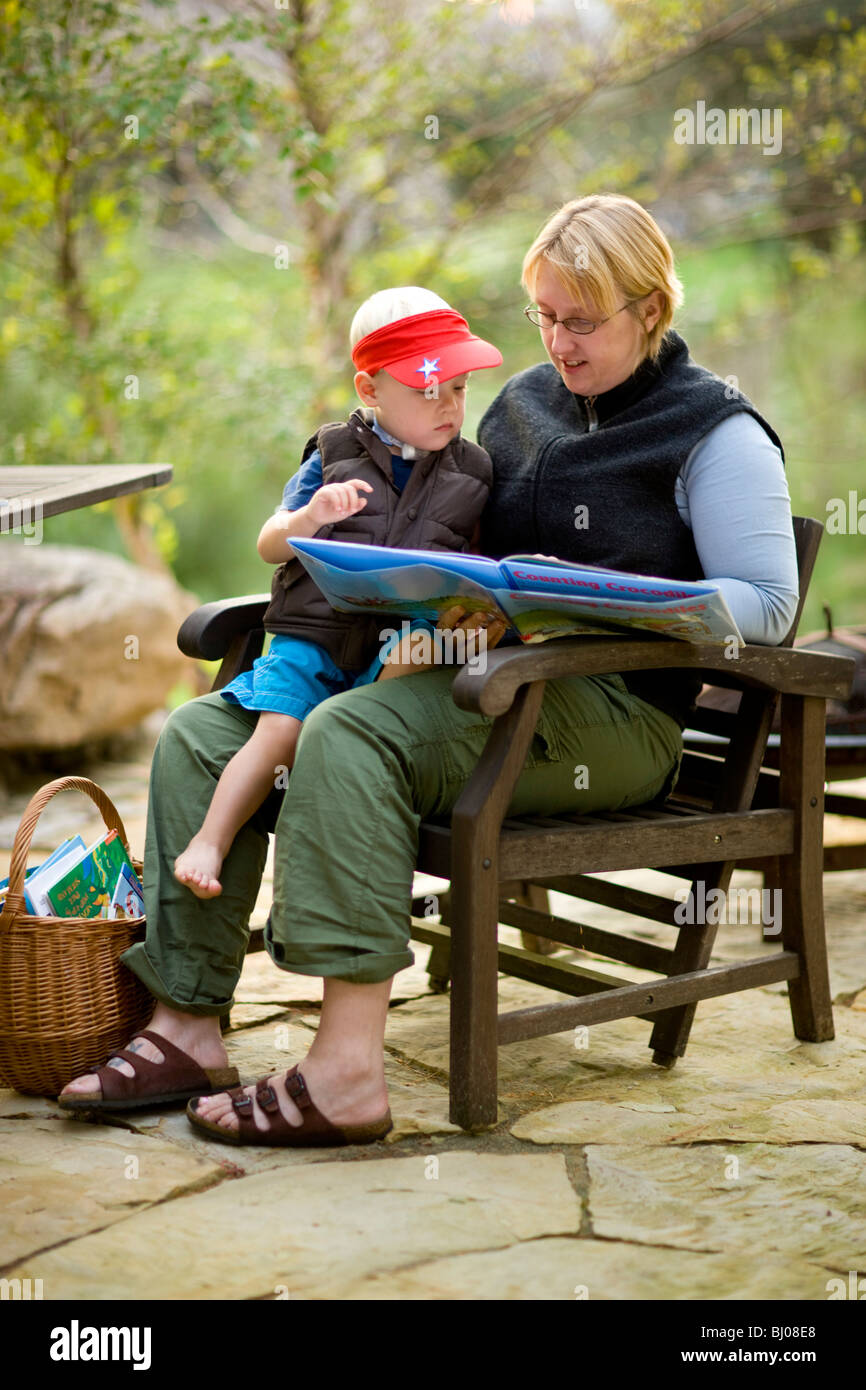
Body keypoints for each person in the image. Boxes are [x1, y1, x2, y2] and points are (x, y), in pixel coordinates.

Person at [59, 194, 798, 1147]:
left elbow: (769, 609)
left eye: (581, 320)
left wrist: (599, 596)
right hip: (483, 675)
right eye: (543, 314)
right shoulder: (528, 403)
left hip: (612, 707)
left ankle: (347, 1072)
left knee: (352, 734)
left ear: (651, 309)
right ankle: (187, 1023)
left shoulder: (714, 429)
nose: (557, 341)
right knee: (206, 734)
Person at [173, 286, 502, 899]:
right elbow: (270, 544)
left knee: (381, 713)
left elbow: (473, 565)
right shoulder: (333, 456)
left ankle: (372, 868)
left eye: (458, 389)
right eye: (427, 390)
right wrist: (309, 519)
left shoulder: (472, 472)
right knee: (281, 732)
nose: (449, 406)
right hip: (315, 635)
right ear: (370, 390)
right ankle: (211, 841)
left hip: (395, 645)